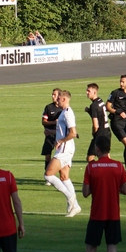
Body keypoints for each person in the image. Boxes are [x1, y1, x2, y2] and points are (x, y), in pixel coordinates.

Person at [73, 135, 126, 252]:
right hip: (113, 215)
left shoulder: (91, 168)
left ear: (97, 148)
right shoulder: (118, 166)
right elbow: (125, 189)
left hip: (97, 215)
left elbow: (85, 193)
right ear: (109, 148)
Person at [44, 89, 82, 217]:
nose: (57, 100)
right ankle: (75, 206)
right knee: (64, 177)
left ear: (64, 99)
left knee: (48, 175)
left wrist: (61, 141)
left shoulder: (68, 113)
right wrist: (52, 133)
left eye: (59, 98)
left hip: (65, 149)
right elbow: (66, 130)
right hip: (65, 148)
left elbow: (73, 133)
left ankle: (70, 197)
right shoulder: (64, 112)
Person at [40, 88, 62, 177]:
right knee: (48, 155)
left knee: (60, 156)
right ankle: (47, 176)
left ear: (59, 96)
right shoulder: (48, 107)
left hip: (60, 136)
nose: (52, 96)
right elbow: (44, 122)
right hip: (50, 135)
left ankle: (61, 175)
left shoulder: (63, 108)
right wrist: (54, 122)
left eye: (54, 95)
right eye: (52, 94)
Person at [84, 83, 108, 162]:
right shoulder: (100, 101)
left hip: (100, 133)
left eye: (89, 91)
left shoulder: (94, 105)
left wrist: (94, 133)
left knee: (90, 158)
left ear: (94, 92)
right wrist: (90, 112)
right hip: (107, 132)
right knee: (106, 157)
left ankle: (95, 170)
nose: (87, 93)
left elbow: (96, 125)